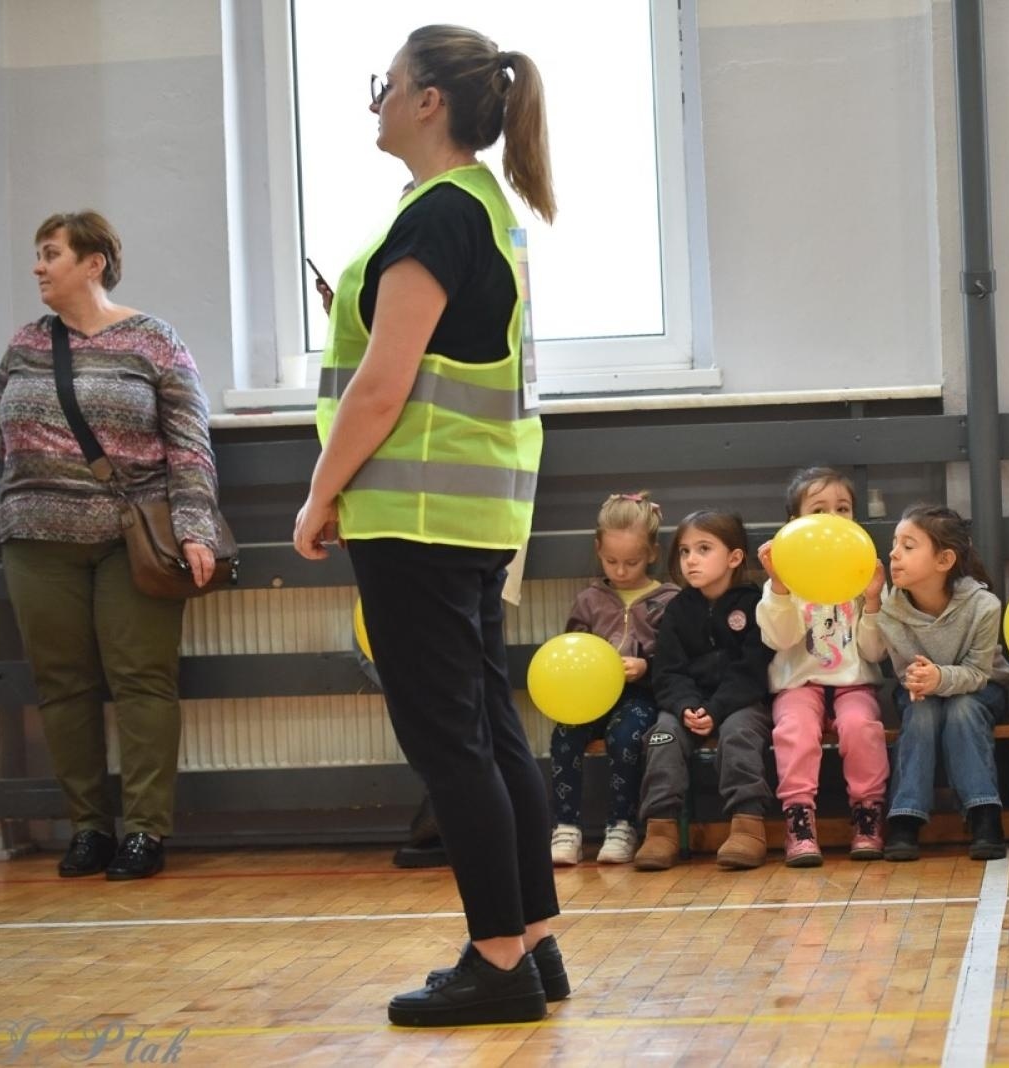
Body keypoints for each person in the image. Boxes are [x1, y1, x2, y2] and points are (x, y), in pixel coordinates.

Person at [292, 25, 563, 1028]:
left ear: (428, 102)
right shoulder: (482, 213)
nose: (376, 101)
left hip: (413, 514)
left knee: (450, 743)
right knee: (489, 733)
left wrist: (320, 494)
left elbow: (379, 389)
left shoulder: (440, 216)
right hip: (471, 511)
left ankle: (495, 958)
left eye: (386, 84)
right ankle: (531, 941)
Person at [0, 211, 220, 882]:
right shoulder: (26, 345)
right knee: (62, 685)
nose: (38, 266)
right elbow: (2, 432)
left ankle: (145, 831)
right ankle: (88, 829)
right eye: (37, 253)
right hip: (35, 537)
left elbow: (190, 445)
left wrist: (196, 528)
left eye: (50, 253)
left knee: (143, 679)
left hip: (132, 540)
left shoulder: (155, 342)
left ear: (93, 263)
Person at [756, 468, 890, 865]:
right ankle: (799, 819)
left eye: (843, 508)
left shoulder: (864, 570)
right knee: (794, 729)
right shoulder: (786, 577)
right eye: (819, 509)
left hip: (854, 684)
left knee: (861, 727)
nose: (833, 517)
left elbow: (874, 652)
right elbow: (779, 640)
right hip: (799, 685)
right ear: (796, 523)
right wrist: (779, 588)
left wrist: (872, 602)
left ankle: (868, 816)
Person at [633, 511, 774, 871]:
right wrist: (687, 708)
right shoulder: (677, 610)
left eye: (703, 549)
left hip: (738, 703)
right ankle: (660, 830)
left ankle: (748, 825)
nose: (690, 560)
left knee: (739, 733)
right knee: (662, 736)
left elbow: (751, 670)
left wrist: (716, 709)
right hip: (687, 706)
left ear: (734, 557)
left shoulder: (755, 604)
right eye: (684, 551)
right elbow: (668, 671)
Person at [874, 505, 1009, 863]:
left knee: (962, 708)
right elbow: (905, 670)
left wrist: (939, 678)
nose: (893, 554)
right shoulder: (891, 609)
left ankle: (984, 815)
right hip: (922, 692)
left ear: (944, 559)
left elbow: (979, 673)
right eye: (894, 544)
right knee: (921, 713)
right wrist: (925, 681)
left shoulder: (984, 606)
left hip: (981, 690)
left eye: (908, 546)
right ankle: (905, 817)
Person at [549, 492, 678, 866]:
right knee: (564, 735)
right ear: (598, 550)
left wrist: (645, 667)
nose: (620, 571)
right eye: (611, 561)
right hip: (590, 698)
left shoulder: (668, 599)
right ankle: (565, 827)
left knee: (626, 738)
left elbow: (675, 659)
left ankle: (621, 825)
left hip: (639, 696)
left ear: (652, 553)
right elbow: (571, 650)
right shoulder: (589, 599)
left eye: (631, 562)